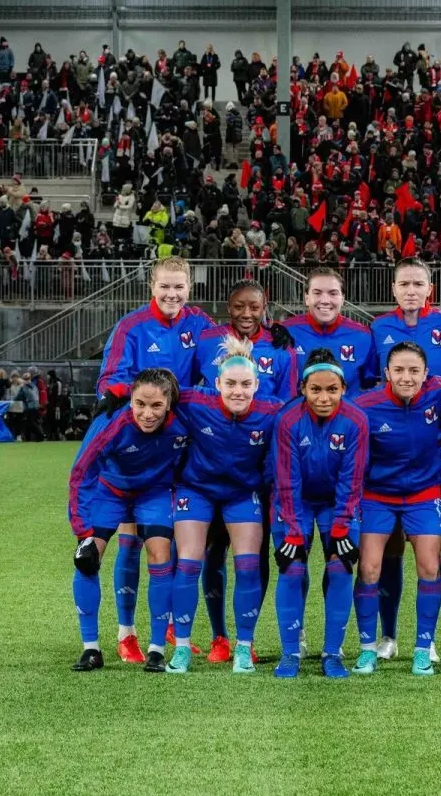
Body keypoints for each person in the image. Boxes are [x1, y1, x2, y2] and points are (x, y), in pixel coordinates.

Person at [95, 256, 216, 663]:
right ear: (152, 286)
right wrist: (144, 406)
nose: (172, 294)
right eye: (165, 286)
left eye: (179, 287)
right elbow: (110, 379)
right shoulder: (131, 326)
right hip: (139, 445)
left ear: (189, 289)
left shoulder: (199, 325)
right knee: (130, 540)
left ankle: (165, 629)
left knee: (172, 541)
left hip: (181, 446)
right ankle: (126, 633)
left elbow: (224, 360)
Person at [195, 279, 297, 663]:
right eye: (239, 306)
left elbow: (289, 407)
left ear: (264, 305)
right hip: (215, 456)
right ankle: (220, 636)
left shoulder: (282, 346)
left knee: (254, 554)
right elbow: (192, 390)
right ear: (228, 306)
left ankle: (246, 639)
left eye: (254, 306)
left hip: (262, 466)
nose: (247, 314)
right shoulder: (207, 341)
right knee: (213, 550)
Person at [166, 337, 281, 675]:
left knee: (247, 565)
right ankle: (183, 647)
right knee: (188, 564)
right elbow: (154, 393)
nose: (238, 391)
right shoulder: (192, 401)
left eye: (246, 384)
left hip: (242, 494)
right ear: (216, 383)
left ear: (257, 385)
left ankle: (243, 647)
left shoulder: (272, 411)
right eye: (230, 383)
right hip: (196, 490)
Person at [368, 256, 441, 661]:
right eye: (403, 284)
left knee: (430, 551)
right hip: (388, 442)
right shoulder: (378, 328)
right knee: (389, 551)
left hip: (433, 450)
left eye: (417, 284)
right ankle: (387, 637)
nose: (410, 290)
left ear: (428, 289)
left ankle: (428, 639)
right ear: (393, 289)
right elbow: (371, 379)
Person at [68, 368, 188, 672]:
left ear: (170, 404)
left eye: (156, 406)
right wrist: (82, 532)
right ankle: (91, 648)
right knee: (87, 558)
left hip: (154, 493)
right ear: (130, 401)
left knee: (161, 554)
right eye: (139, 404)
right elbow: (81, 473)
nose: (147, 413)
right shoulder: (110, 423)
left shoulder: (184, 422)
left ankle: (157, 649)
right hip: (111, 491)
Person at [269, 348, 369, 679]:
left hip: (336, 504)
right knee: (292, 567)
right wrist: (295, 533)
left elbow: (352, 480)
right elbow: (286, 479)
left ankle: (332, 652)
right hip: (294, 502)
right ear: (302, 389)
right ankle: (290, 653)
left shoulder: (356, 420)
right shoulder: (287, 420)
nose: (324, 397)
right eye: (315, 390)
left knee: (340, 567)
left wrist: (341, 528)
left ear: (344, 388)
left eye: (332, 390)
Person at [353, 342, 441, 676]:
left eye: (413, 371)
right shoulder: (365, 405)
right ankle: (368, 649)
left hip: (424, 494)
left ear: (426, 374)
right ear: (386, 374)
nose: (406, 377)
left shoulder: (438, 395)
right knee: (369, 568)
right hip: (377, 495)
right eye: (399, 370)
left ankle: (423, 647)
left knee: (429, 566)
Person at [282, 267, 376, 395]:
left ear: (342, 298)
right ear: (307, 298)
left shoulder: (363, 336)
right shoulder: (285, 332)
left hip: (347, 414)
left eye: (333, 293)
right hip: (299, 414)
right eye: (317, 293)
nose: (325, 300)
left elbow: (371, 386)